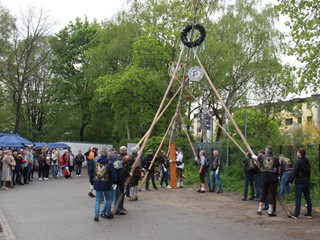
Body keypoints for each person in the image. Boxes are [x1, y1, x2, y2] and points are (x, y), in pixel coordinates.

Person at [90, 148, 117, 222]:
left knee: (97, 200)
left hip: (97, 183)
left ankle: (96, 215)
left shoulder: (95, 162)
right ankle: (108, 214)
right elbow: (113, 174)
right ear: (106, 154)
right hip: (107, 183)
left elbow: (91, 173)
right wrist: (115, 182)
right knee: (108, 199)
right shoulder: (110, 163)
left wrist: (91, 182)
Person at [256, 146, 280, 217]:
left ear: (266, 151)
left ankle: (259, 209)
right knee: (271, 194)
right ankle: (270, 211)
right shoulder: (276, 158)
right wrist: (278, 175)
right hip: (273, 177)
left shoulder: (261, 157)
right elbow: (278, 168)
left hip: (264, 177)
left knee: (263, 193)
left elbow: (256, 160)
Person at [289, 149, 312, 219]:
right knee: (307, 197)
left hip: (299, 181)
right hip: (306, 181)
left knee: (298, 197)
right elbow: (309, 172)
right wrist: (308, 180)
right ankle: (309, 213)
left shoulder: (298, 161)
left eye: (297, 152)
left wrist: (291, 180)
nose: (297, 153)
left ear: (299, 153)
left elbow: (295, 172)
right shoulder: (307, 162)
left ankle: (296, 214)